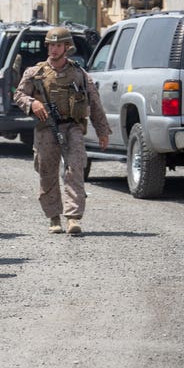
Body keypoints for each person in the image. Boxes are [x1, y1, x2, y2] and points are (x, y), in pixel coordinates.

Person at [13, 26, 111, 235]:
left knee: (75, 168)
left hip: (73, 127)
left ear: (67, 47)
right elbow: (19, 95)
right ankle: (53, 217)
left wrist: (103, 131)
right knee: (47, 171)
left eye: (58, 45)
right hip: (46, 128)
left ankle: (73, 217)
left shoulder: (79, 74)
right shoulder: (35, 73)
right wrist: (33, 104)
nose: (54, 49)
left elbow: (94, 102)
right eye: (51, 45)